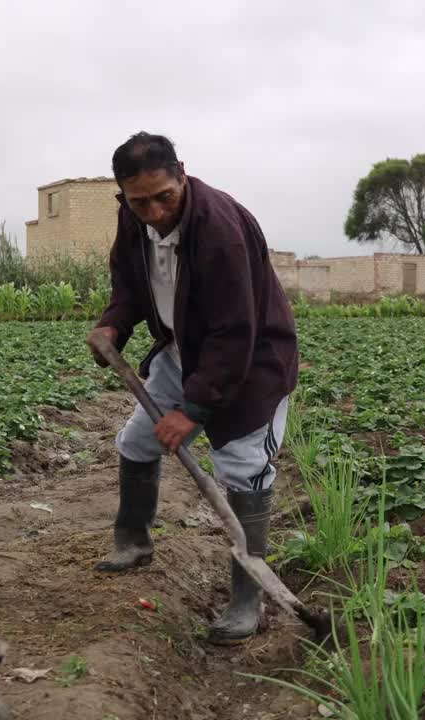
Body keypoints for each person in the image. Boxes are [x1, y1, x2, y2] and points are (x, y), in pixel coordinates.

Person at [86, 132, 299, 645]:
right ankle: (132, 542)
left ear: (182, 172)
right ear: (123, 195)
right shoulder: (133, 218)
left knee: (244, 471)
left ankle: (247, 600)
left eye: (165, 196)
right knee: (137, 442)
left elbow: (235, 330)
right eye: (140, 202)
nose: (155, 211)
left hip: (248, 365)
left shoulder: (220, 227)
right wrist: (113, 324)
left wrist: (194, 409)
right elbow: (128, 285)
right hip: (182, 351)